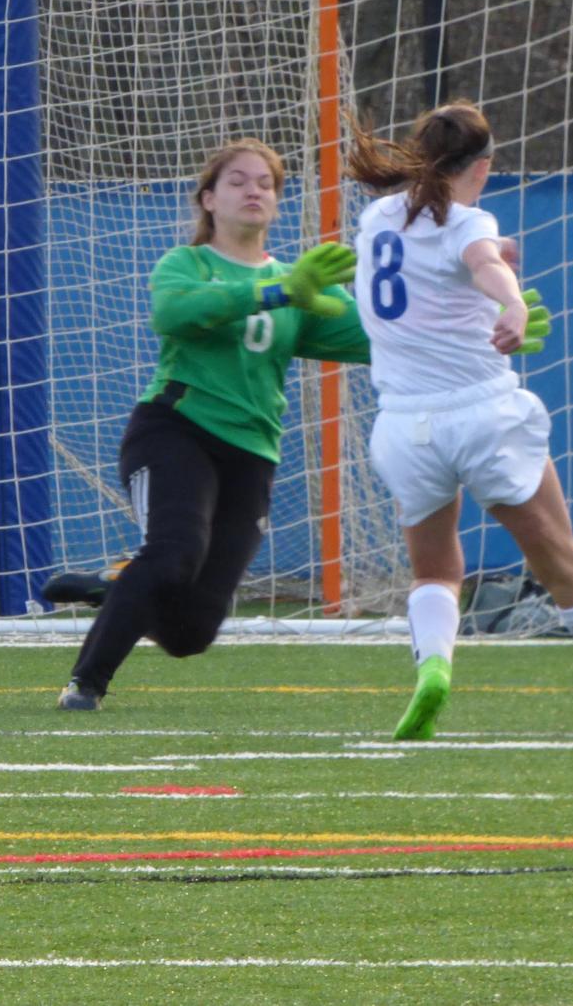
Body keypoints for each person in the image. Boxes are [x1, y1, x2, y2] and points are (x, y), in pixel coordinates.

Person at [346, 100, 573, 743]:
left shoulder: (376, 218)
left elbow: (451, 258)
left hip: (404, 428)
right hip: (483, 416)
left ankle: (433, 668)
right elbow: (482, 263)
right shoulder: (471, 222)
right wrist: (512, 301)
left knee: (435, 570)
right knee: (560, 560)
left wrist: (489, 256)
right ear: (483, 167)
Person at [47, 139, 369, 712]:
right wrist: (275, 292)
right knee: (174, 553)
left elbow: (382, 339)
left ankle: (119, 586)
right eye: (238, 181)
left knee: (192, 633)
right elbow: (175, 313)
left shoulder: (302, 284)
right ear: (209, 200)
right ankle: (86, 683)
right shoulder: (187, 264)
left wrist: (485, 321)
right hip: (176, 430)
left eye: (265, 183)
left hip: (252, 454)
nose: (254, 191)